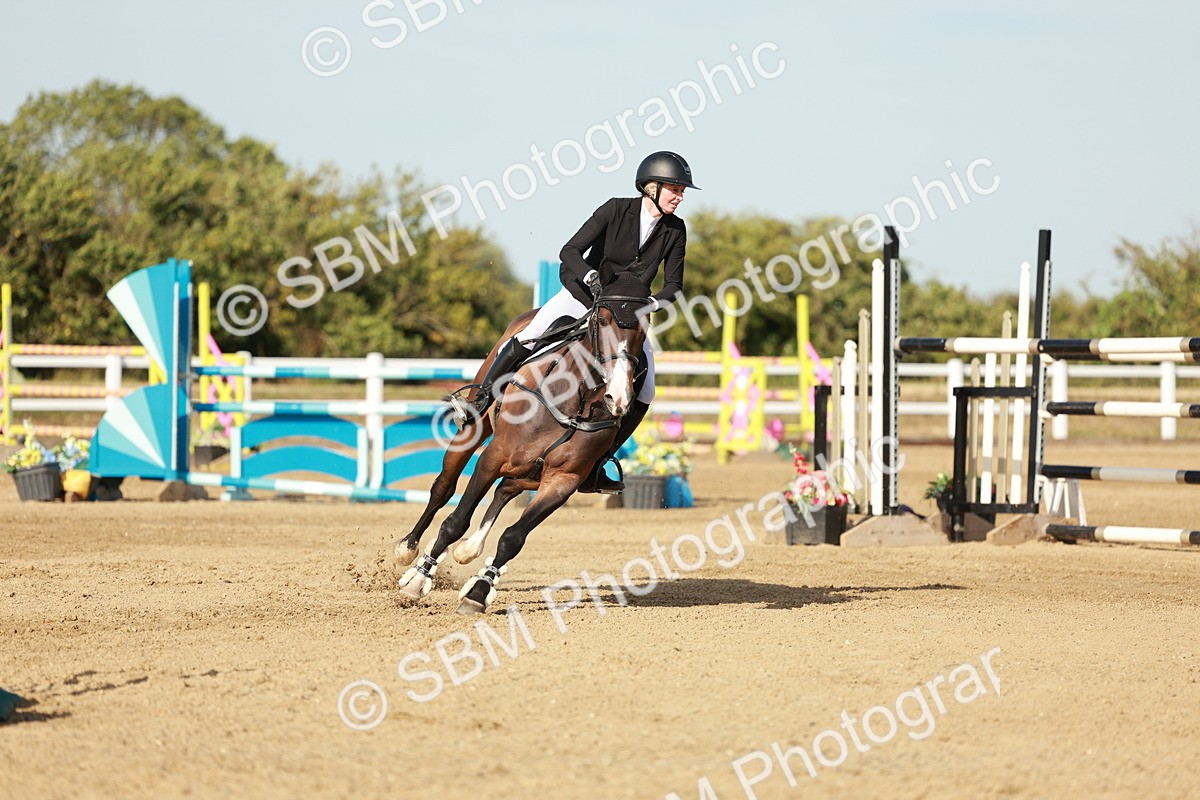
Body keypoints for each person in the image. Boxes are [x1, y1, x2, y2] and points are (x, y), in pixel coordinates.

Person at [454, 150, 698, 493]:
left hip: (625, 317)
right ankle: (479, 401)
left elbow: (674, 284)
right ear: (651, 187)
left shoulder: (675, 230)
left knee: (647, 388)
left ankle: (599, 461)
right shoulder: (615, 209)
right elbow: (569, 251)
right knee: (531, 333)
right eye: (675, 189)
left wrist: (650, 304)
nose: (680, 196)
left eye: (682, 190)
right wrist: (591, 276)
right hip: (582, 295)